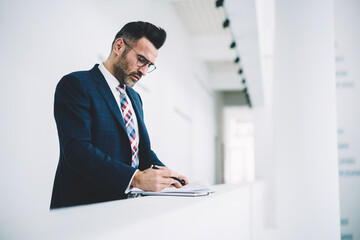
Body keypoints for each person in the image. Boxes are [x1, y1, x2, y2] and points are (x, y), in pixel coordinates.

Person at [50, 21, 188, 209]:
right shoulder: (76, 85)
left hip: (126, 209)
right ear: (119, 46)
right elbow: (77, 151)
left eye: (150, 65)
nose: (144, 72)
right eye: (141, 60)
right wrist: (135, 178)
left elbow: (142, 153)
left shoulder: (135, 98)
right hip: (83, 208)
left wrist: (170, 177)